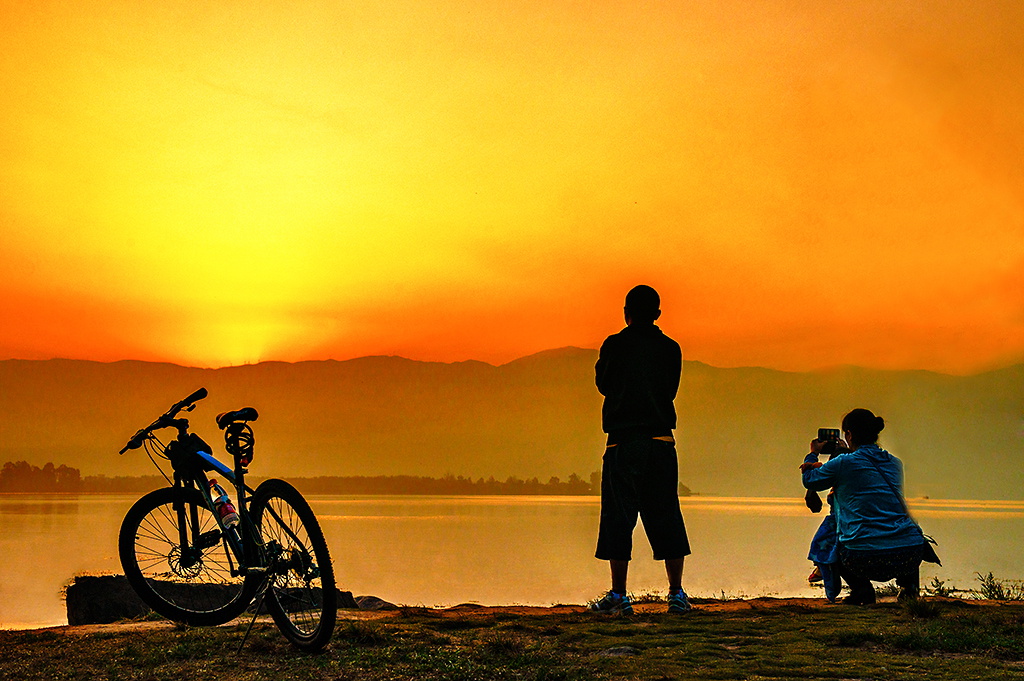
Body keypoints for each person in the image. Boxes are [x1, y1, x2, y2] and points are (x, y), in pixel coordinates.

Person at [590, 284, 692, 614]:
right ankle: (676, 594)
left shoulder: (615, 345)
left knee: (618, 518)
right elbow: (671, 390)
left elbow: (603, 384)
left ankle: (619, 596)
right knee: (666, 515)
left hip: (623, 442)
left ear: (626, 313)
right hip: (661, 442)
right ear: (658, 315)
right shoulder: (670, 348)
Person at [801, 409, 927, 604]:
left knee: (833, 536)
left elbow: (811, 481)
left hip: (863, 557)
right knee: (907, 527)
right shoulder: (895, 463)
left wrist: (813, 454)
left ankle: (862, 591)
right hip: (908, 555)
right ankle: (910, 590)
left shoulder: (844, 462)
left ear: (849, 435)